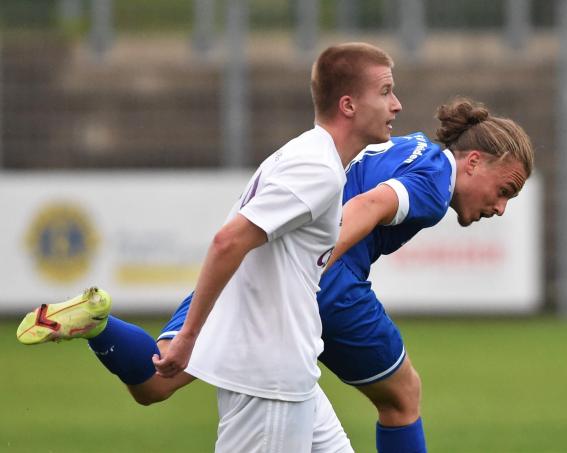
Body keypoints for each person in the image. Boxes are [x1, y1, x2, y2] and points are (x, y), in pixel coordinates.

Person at [16, 41, 402, 453]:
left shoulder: (306, 154)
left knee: (152, 388)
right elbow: (227, 241)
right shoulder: (318, 170)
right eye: (385, 92)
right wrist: (188, 336)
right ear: (348, 105)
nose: (396, 105)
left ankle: (100, 326)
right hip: (270, 380)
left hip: (290, 372)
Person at [152, 97, 534, 453]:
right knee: (403, 397)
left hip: (265, 257)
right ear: (473, 162)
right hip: (329, 280)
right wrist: (309, 267)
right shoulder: (437, 183)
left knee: (160, 375)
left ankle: (97, 322)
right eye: (505, 190)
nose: (501, 207)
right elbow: (368, 205)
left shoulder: (411, 146)